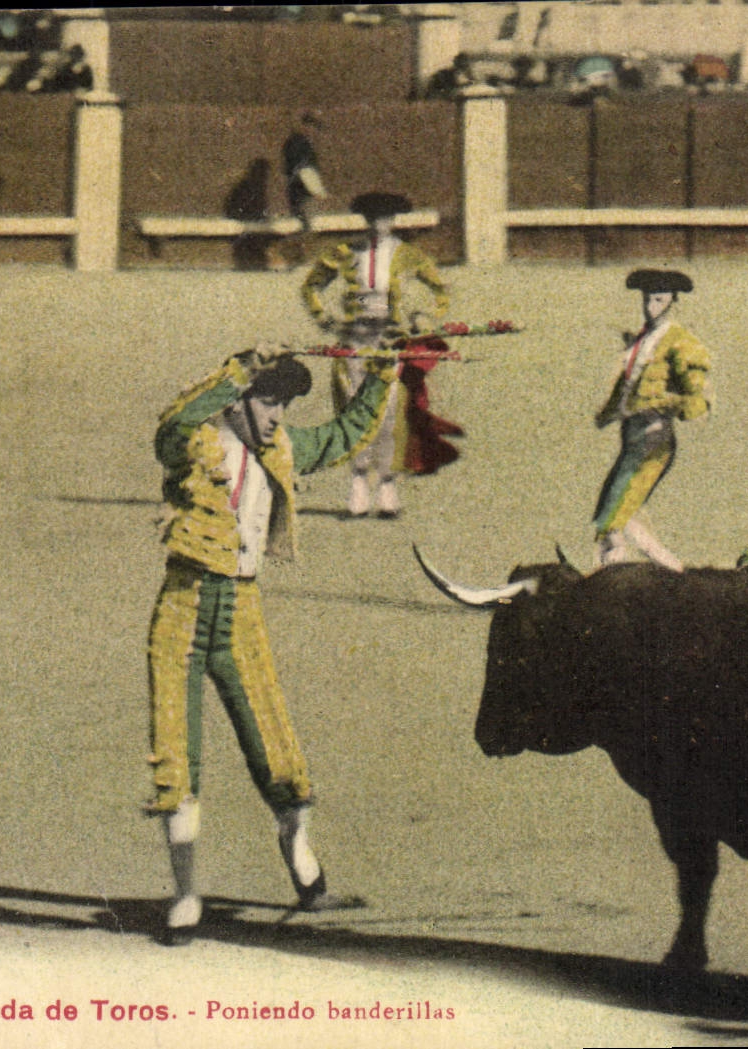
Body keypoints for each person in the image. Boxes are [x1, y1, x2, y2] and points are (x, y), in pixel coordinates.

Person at [147, 346, 394, 940]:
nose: (279, 415)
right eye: (268, 400)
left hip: (242, 616)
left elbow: (343, 436)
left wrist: (383, 376)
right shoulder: (196, 443)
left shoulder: (282, 449)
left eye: (284, 403)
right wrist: (234, 370)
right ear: (236, 402)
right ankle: (185, 896)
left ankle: (308, 875)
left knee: (276, 747)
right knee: (176, 755)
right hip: (181, 613)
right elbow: (172, 424)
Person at [300, 191, 455, 518]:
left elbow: (440, 290)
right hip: (354, 341)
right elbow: (311, 287)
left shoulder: (406, 254)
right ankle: (358, 482)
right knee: (356, 410)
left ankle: (386, 484)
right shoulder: (345, 253)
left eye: (384, 219)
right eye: (372, 219)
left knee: (387, 414)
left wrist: (424, 315)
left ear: (392, 221)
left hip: (389, 342)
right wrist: (325, 318)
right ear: (365, 221)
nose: (378, 225)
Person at [592, 269, 712, 572]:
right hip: (632, 437)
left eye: (658, 299)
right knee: (617, 511)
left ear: (673, 302)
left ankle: (608, 579)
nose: (650, 306)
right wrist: (607, 414)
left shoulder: (681, 342)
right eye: (647, 299)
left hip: (653, 439)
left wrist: (661, 404)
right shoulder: (641, 340)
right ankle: (678, 573)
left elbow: (696, 397)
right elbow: (626, 388)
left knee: (613, 519)